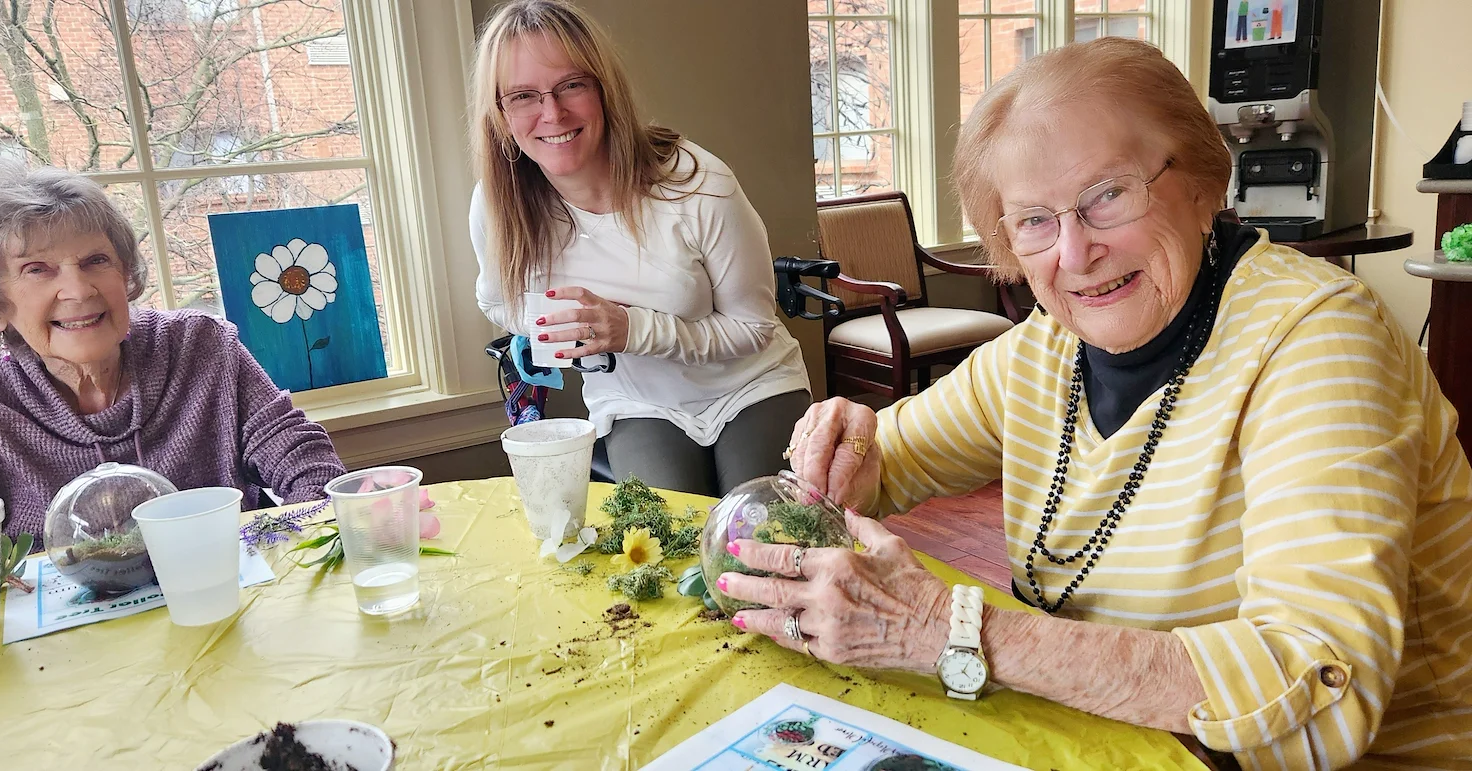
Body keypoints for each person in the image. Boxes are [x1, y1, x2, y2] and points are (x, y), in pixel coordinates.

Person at [720, 39, 1472, 769]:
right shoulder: (1045, 352)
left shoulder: (1317, 340)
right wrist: (849, 442)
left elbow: (1321, 701)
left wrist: (942, 630)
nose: (1074, 254)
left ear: (1206, 181)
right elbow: (885, 455)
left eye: (1108, 194)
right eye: (1035, 220)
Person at [0, 161, 346, 593]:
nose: (78, 290)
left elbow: (309, 467)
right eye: (37, 269)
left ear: (125, 274)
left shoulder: (200, 347)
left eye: (96, 261)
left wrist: (285, 553)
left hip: (224, 607)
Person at [467, 0, 812, 498]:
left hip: (751, 384)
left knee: (750, 538)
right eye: (522, 96)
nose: (552, 113)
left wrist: (631, 329)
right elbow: (498, 300)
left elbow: (754, 326)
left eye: (572, 84)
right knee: (663, 538)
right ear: (500, 115)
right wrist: (562, 327)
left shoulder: (697, 183)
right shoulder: (497, 204)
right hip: (636, 401)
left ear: (605, 90)